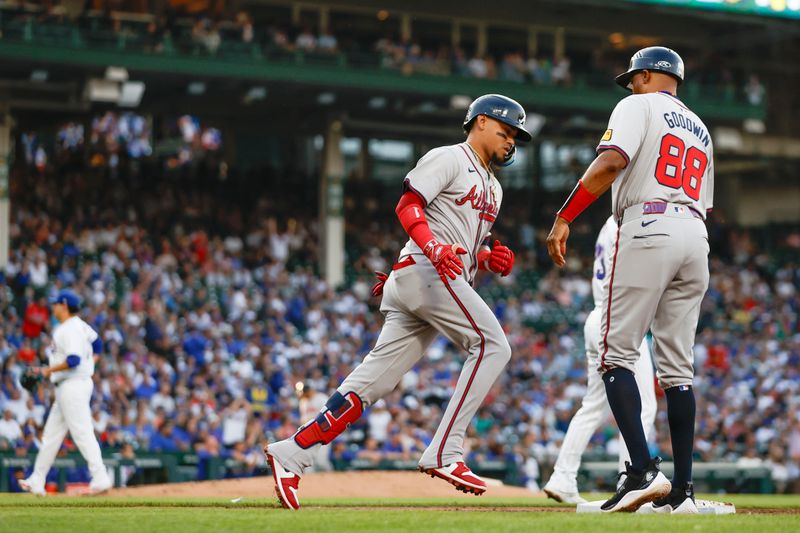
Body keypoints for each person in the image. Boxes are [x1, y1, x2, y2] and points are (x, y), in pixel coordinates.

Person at [265, 94, 531, 510]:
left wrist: (487, 256)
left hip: (430, 277)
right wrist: (433, 247)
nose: (511, 139)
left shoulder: (494, 188)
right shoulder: (449, 157)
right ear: (480, 122)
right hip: (427, 270)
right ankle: (446, 450)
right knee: (494, 345)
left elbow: (463, 242)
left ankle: (292, 452)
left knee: (376, 381)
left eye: (516, 134)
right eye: (505, 129)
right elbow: (408, 205)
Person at [546, 46, 713, 514]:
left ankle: (641, 471)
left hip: (649, 223)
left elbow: (612, 162)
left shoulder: (636, 105)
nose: (630, 85)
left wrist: (565, 216)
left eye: (633, 77)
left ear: (646, 76)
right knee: (678, 372)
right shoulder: (701, 128)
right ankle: (682, 492)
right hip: (696, 234)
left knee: (616, 354)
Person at [543, 216, 656, 504]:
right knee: (643, 406)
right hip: (620, 319)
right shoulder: (635, 217)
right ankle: (630, 478)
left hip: (598, 317)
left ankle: (563, 476)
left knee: (593, 406)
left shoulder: (610, 222)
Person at [19, 289, 112, 496]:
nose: (52, 307)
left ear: (64, 305)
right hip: (72, 385)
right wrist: (92, 363)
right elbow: (98, 344)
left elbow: (73, 361)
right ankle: (37, 478)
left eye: (55, 304)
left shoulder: (68, 329)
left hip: (73, 385)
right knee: (51, 435)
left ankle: (100, 477)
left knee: (82, 432)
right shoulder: (81, 326)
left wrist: (45, 371)